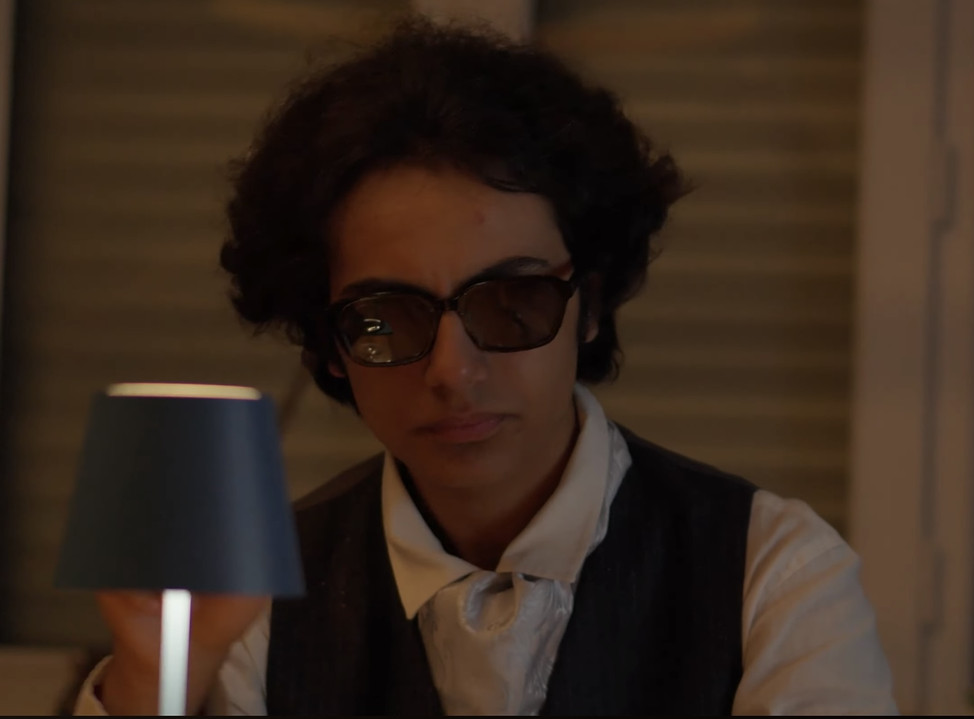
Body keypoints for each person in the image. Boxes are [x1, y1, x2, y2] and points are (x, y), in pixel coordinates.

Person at [75, 16, 897, 716]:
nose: (451, 370)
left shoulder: (769, 571)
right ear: (328, 344)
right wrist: (158, 671)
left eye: (511, 302)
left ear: (590, 304)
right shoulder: (253, 598)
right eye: (386, 317)